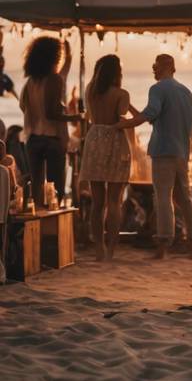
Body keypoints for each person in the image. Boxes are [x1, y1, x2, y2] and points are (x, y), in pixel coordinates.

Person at [116, 54, 192, 260]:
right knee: (186, 198)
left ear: (167, 66)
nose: (153, 68)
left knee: (163, 198)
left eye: (156, 65)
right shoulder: (187, 93)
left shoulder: (158, 89)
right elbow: (155, 118)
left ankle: (163, 244)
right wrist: (133, 112)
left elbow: (150, 113)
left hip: (164, 151)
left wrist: (122, 124)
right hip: (182, 152)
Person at [80, 55, 131, 262]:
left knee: (97, 202)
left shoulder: (90, 91)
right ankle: (111, 249)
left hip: (94, 140)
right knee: (114, 201)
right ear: (117, 72)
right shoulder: (121, 94)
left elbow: (90, 116)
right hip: (115, 142)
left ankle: (98, 248)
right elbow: (121, 118)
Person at [19, 37, 80, 206]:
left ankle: (37, 227)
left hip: (32, 138)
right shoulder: (54, 79)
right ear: (53, 56)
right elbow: (51, 113)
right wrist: (76, 117)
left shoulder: (30, 82)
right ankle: (53, 228)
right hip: (52, 139)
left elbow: (23, 106)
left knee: (36, 190)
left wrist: (68, 53)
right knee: (56, 190)